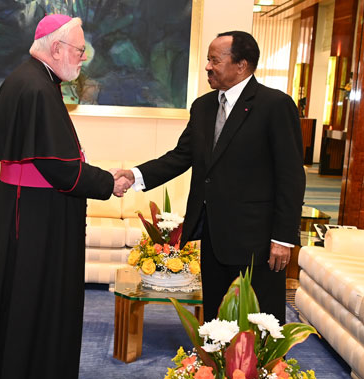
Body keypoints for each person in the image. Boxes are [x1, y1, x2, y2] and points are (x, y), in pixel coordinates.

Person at [0, 15, 122, 379]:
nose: (82, 59)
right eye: (79, 51)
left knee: (21, 300)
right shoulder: (39, 88)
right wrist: (107, 182)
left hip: (27, 208)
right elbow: (60, 167)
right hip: (39, 217)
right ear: (57, 47)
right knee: (39, 301)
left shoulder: (26, 79)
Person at [114, 31, 305, 325]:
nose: (207, 67)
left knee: (257, 322)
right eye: (208, 60)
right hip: (214, 236)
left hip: (257, 240)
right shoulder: (203, 107)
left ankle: (259, 373)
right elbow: (180, 157)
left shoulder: (274, 105)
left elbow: (291, 176)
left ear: (241, 65)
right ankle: (213, 370)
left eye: (215, 60)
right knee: (216, 320)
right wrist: (135, 175)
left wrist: (283, 238)